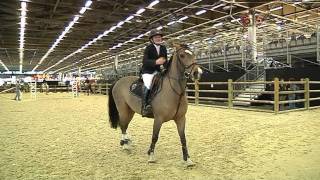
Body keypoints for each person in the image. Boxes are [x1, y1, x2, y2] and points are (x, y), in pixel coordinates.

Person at [141, 29, 168, 116]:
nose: (158, 38)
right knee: (148, 84)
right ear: (152, 39)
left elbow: (165, 61)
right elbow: (144, 61)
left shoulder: (163, 48)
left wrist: (167, 68)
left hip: (158, 71)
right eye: (156, 37)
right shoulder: (148, 48)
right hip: (147, 71)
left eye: (159, 37)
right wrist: (156, 62)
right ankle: (145, 105)